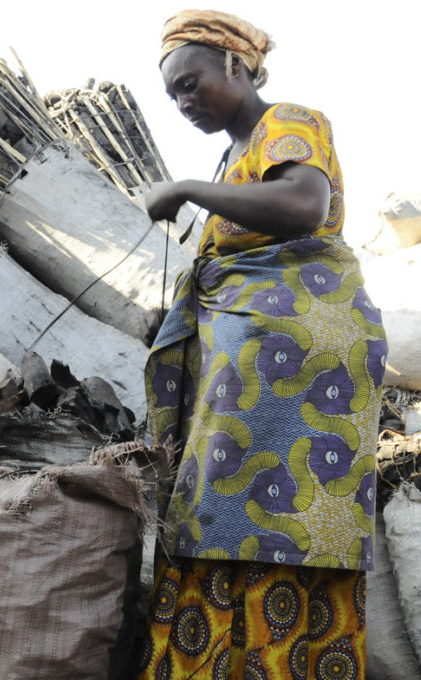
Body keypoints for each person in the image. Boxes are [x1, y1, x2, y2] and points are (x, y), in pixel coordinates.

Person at [139, 9, 387, 679]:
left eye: (190, 84)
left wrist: (189, 190)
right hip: (255, 370)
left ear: (235, 63)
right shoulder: (232, 157)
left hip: (296, 367)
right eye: (172, 96)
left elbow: (305, 205)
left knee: (271, 516)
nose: (183, 103)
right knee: (221, 516)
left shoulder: (291, 122)